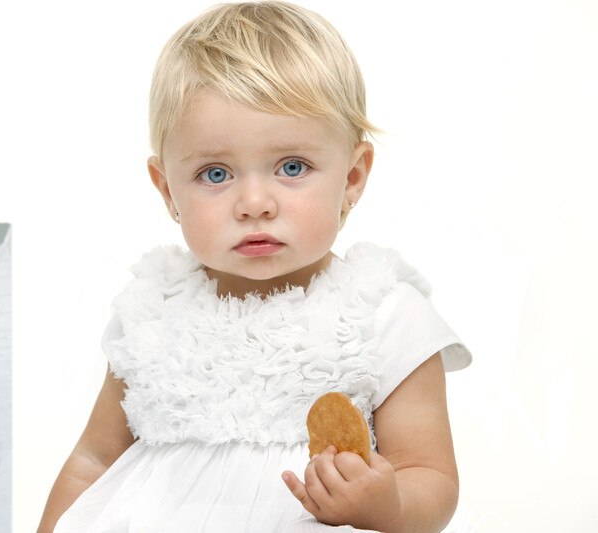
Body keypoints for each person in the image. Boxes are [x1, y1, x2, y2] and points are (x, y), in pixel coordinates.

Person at [38, 1, 472, 531]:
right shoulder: (152, 312)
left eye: (292, 167)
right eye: (215, 174)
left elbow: (428, 473)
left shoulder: (382, 313)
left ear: (353, 177)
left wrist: (390, 504)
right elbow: (94, 463)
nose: (254, 202)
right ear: (167, 190)